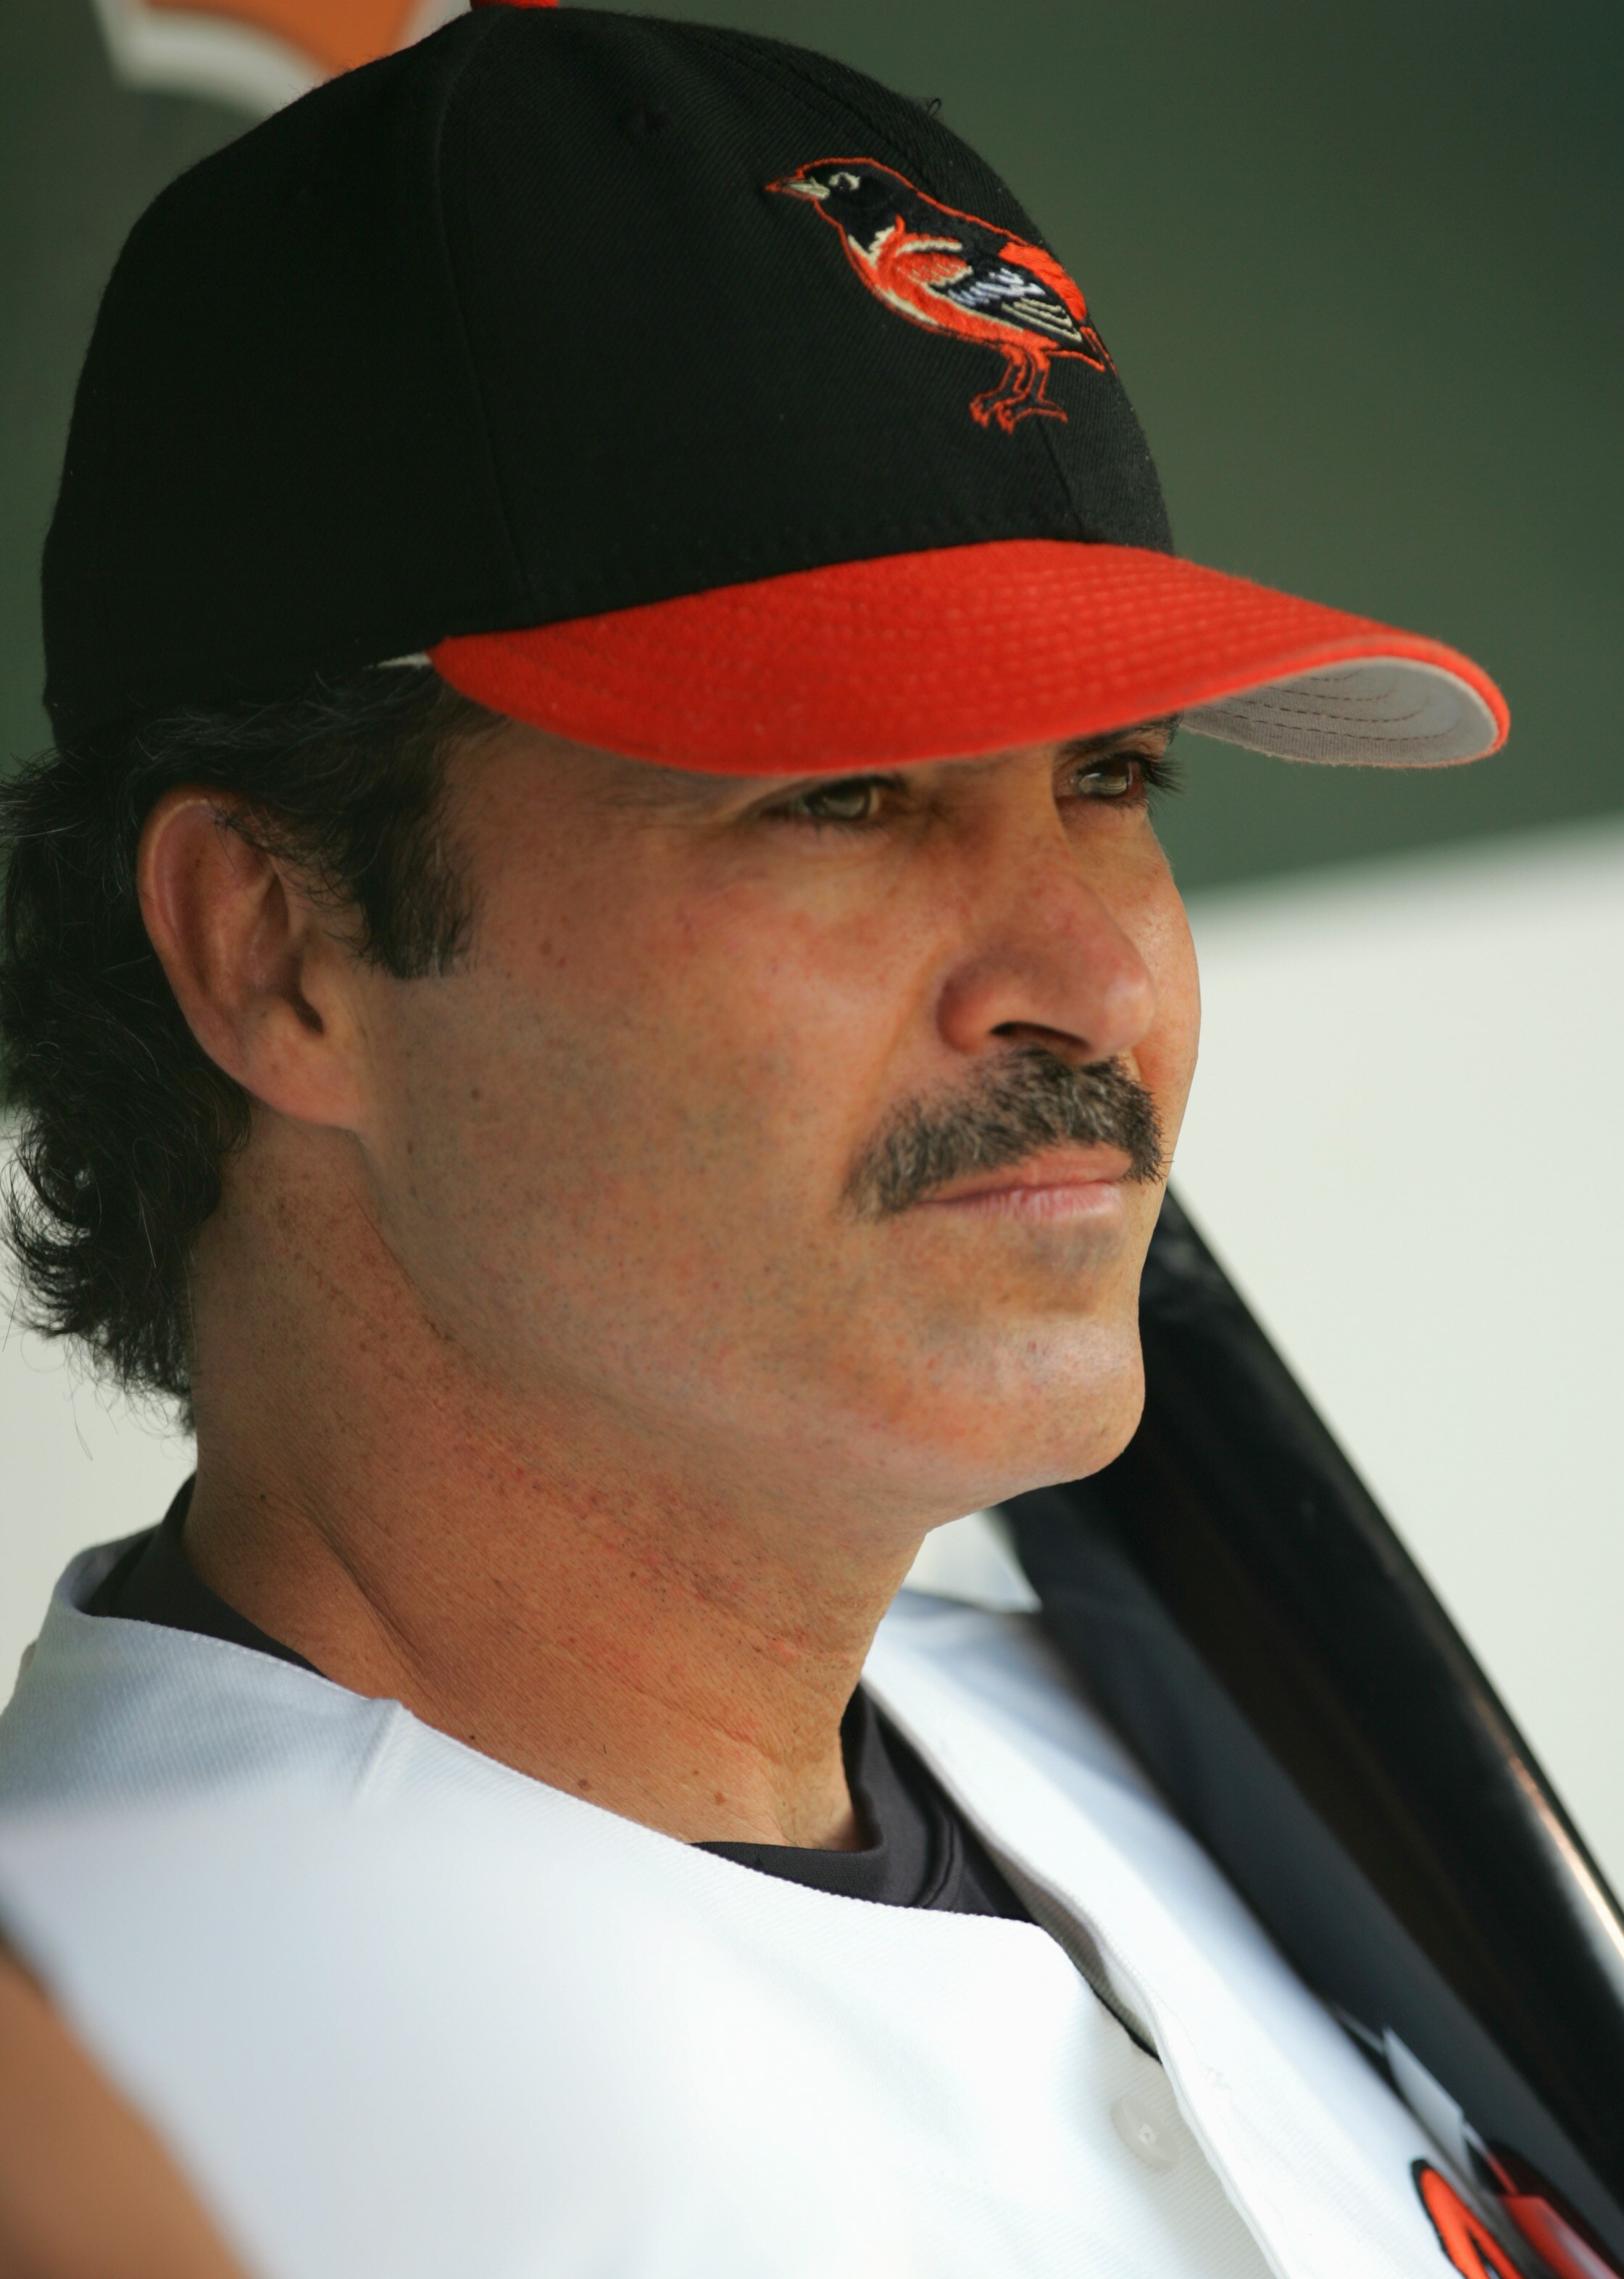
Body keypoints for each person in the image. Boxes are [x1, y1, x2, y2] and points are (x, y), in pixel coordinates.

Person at [0, 4, 1521, 2274]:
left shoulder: (1170, 1739)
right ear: (280, 949)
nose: (1089, 977)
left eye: (1111, 778)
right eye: (843, 797)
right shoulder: (140, 2126)